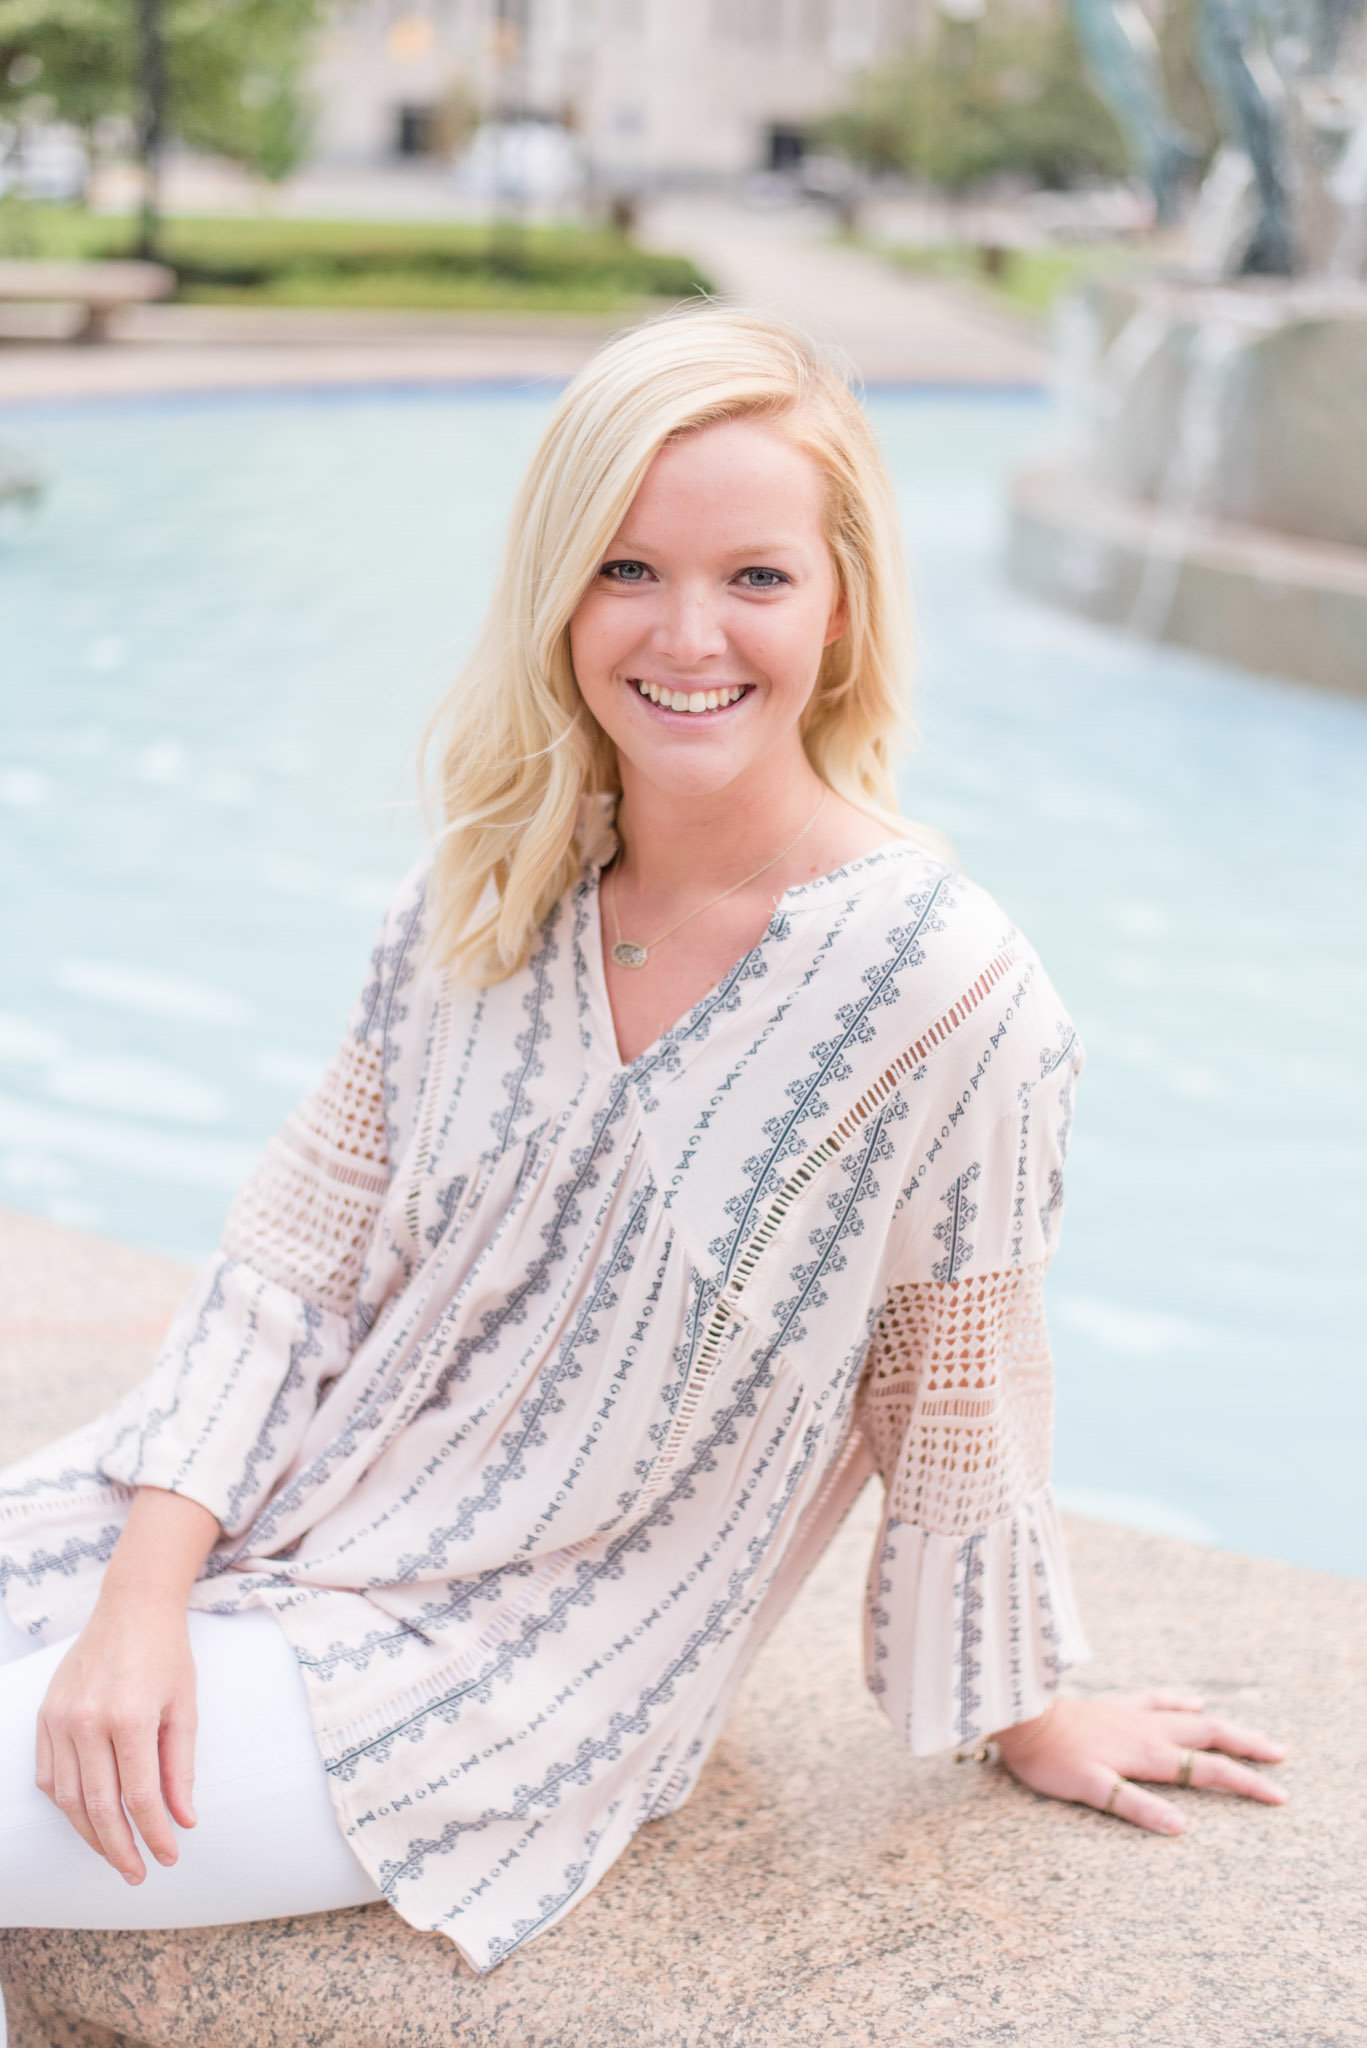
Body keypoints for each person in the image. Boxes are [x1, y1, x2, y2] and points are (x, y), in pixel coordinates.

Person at [0, 310, 1286, 1987]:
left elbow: (952, 1388)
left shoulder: (948, 992)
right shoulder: (482, 892)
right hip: (251, 1519)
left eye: (757, 576)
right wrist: (142, 1597)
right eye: (627, 569)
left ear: (841, 608)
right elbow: (288, 1269)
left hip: (503, 1668)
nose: (691, 633)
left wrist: (1028, 1707)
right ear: (558, 590)